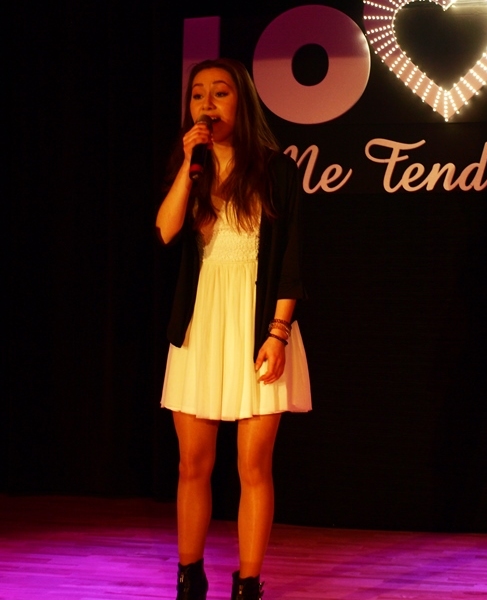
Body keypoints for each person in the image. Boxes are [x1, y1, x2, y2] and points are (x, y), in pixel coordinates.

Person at [156, 58, 311, 600]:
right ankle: (188, 577)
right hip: (202, 321)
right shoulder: (192, 167)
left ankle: (248, 582)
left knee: (253, 466)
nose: (207, 103)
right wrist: (187, 164)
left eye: (219, 93)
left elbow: (291, 258)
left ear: (241, 101)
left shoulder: (276, 169)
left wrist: (278, 332)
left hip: (258, 321)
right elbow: (166, 230)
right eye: (198, 93)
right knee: (192, 465)